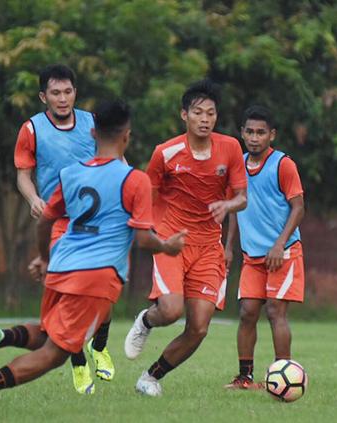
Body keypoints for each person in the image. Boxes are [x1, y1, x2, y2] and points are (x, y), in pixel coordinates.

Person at [0, 100, 187, 415]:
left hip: (61, 266)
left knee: (49, 333)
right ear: (127, 137)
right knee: (55, 354)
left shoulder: (71, 174)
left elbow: (46, 220)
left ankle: (1, 336)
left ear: (92, 133)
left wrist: (45, 258)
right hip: (96, 277)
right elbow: (144, 239)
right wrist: (168, 248)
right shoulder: (135, 180)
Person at [0, 64, 113, 395]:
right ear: (44, 96)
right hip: (57, 224)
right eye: (55, 93)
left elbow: (111, 162)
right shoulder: (32, 129)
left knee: (102, 293)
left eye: (67, 91)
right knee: (76, 294)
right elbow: (23, 175)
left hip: (95, 222)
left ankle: (97, 347)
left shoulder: (92, 124)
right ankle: (80, 364)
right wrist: (33, 199)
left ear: (75, 93)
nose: (62, 98)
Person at [124, 79, 248, 397]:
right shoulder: (165, 153)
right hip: (172, 240)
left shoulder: (231, 148)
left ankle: (150, 378)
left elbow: (242, 198)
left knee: (199, 327)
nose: (205, 119)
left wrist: (228, 204)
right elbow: (147, 195)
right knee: (170, 311)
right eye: (198, 112)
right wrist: (148, 232)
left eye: (210, 113)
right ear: (185, 115)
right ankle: (147, 321)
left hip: (209, 246)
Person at [223, 105, 305, 389]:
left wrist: (279, 243)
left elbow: (298, 208)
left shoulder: (283, 164)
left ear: (272, 135)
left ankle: (284, 376)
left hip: (283, 253)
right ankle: (245, 377)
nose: (255, 137)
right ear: (242, 133)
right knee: (247, 312)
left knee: (275, 311)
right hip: (251, 256)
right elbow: (235, 208)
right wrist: (229, 246)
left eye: (261, 132)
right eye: (249, 131)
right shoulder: (238, 166)